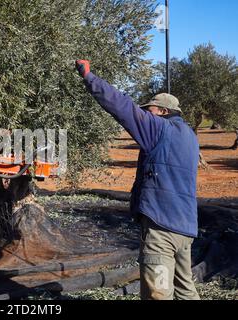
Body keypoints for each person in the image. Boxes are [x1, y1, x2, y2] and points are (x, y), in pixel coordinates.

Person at [75, 60, 200, 300]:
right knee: (186, 292)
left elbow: (122, 107)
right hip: (185, 229)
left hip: (161, 228)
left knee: (158, 293)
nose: (145, 114)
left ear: (163, 112)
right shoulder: (190, 137)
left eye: (149, 110)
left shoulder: (158, 128)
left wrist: (90, 77)